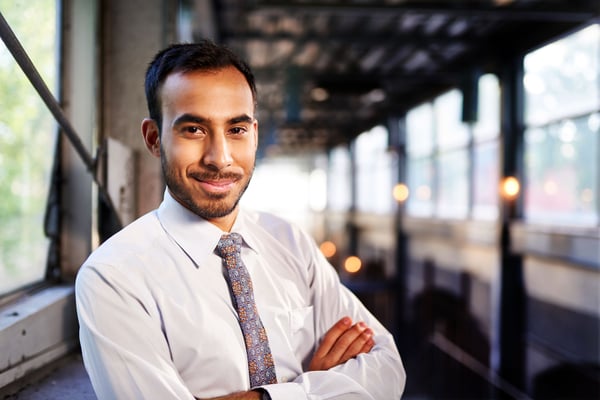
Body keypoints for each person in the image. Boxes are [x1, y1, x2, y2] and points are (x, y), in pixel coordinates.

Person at [75, 40, 406, 400]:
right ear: (155, 139)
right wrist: (305, 389)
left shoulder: (290, 241)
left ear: (254, 135)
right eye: (194, 130)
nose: (220, 158)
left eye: (236, 130)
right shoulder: (113, 276)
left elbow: (387, 369)